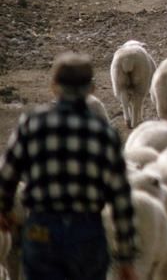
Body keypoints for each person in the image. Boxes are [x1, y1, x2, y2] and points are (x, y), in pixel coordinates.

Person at [0, 52, 137, 280]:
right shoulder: (104, 133)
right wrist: (126, 258)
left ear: (54, 86)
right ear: (92, 89)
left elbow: (7, 175)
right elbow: (121, 198)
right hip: (87, 234)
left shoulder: (31, 125)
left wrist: (4, 210)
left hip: (41, 230)